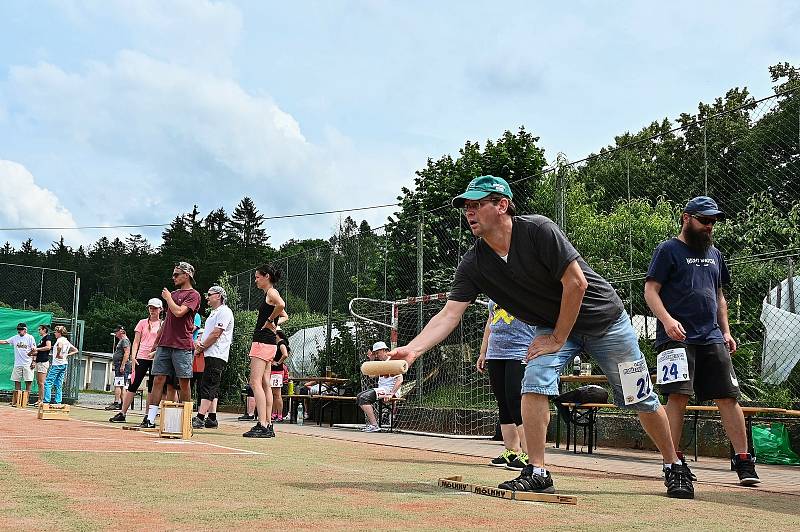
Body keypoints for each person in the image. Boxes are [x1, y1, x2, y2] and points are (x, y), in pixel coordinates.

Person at [390, 175, 693, 498]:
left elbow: (577, 284)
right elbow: (450, 314)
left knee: (640, 397)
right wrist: (413, 349)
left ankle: (673, 465)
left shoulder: (538, 230)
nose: (469, 212)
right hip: (553, 327)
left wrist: (558, 337)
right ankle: (537, 470)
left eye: (477, 204)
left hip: (604, 321)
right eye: (467, 206)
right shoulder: (474, 262)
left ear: (502, 205)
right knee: (533, 381)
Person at [644, 196, 760, 486]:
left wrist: (726, 330)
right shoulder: (667, 250)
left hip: (711, 336)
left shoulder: (715, 254)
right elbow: (650, 291)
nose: (709, 226)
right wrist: (668, 321)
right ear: (686, 218)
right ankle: (673, 460)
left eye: (712, 221)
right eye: (704, 220)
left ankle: (743, 460)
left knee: (728, 396)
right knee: (678, 396)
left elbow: (719, 295)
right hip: (676, 337)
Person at [141, 261, 201, 427]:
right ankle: (150, 418)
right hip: (165, 344)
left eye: (176, 274)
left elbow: (179, 312)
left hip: (182, 345)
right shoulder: (173, 294)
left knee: (184, 381)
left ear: (186, 275)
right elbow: (167, 320)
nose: (173, 277)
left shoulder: (193, 295)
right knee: (158, 379)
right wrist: (155, 345)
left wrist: (168, 298)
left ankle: (186, 419)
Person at [476, 300, 533, 471]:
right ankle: (511, 450)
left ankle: (529, 453)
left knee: (516, 398)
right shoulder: (494, 292)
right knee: (503, 400)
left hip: (520, 350)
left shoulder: (525, 287)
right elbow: (490, 321)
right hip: (496, 352)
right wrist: (483, 351)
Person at [243, 263, 286, 438]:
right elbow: (284, 315)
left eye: (257, 277)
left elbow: (281, 305)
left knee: (255, 382)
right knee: (265, 383)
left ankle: (262, 423)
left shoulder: (271, 292)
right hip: (268, 342)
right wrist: (274, 323)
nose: (256, 280)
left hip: (262, 342)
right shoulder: (269, 294)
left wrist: (269, 321)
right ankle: (267, 423)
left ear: (266, 276)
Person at [109, 298, 163, 426]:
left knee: (152, 388)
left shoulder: (163, 324)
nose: (152, 310)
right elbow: (136, 341)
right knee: (133, 384)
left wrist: (155, 353)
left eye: (155, 308)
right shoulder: (142, 323)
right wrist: (133, 357)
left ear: (161, 309)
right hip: (141, 357)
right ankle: (122, 413)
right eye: (150, 308)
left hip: (156, 358)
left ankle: (147, 416)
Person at [192, 286, 234, 430]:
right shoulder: (214, 313)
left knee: (208, 384)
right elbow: (209, 332)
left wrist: (201, 346)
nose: (207, 297)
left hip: (217, 353)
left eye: (210, 294)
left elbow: (216, 334)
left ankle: (200, 417)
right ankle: (212, 417)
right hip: (210, 353)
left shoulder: (224, 311)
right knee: (212, 384)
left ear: (218, 296)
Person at [357, 341, 403, 433]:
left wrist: (391, 393)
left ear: (384, 350)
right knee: (359, 397)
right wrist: (371, 360)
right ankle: (374, 424)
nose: (377, 355)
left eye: (377, 353)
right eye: (375, 353)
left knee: (363, 398)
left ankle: (374, 425)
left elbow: (400, 380)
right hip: (383, 390)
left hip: (390, 391)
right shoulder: (381, 363)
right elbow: (371, 375)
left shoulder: (392, 362)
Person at [43, 325, 78, 404]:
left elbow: (59, 346)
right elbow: (75, 350)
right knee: (59, 383)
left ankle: (46, 401)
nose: (55, 333)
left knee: (48, 382)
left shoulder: (60, 340)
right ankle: (58, 401)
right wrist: (67, 355)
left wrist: (58, 354)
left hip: (57, 364)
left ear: (59, 333)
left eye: (56, 332)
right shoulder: (66, 341)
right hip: (64, 364)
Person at [1, 322, 37, 397]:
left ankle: (25, 399)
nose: (19, 331)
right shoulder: (15, 338)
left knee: (28, 381)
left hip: (28, 363)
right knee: (17, 381)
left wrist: (33, 361)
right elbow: (5, 341)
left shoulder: (30, 338)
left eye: (21, 329)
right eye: (18, 329)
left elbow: (34, 350)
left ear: (25, 330)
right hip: (18, 364)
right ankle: (17, 399)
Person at [106, 326, 131, 410]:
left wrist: (123, 365)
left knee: (118, 384)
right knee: (121, 384)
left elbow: (127, 353)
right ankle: (122, 403)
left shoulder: (124, 340)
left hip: (121, 364)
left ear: (121, 331)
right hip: (120, 364)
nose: (115, 333)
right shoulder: (123, 340)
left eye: (116, 331)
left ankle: (116, 403)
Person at [32, 324, 56, 407]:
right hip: (39, 362)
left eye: (40, 329)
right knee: (39, 382)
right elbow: (38, 351)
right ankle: (39, 399)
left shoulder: (48, 337)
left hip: (43, 362)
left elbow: (48, 347)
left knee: (42, 382)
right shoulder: (41, 339)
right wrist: (32, 354)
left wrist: (37, 349)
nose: (39, 331)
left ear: (44, 330)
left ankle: (43, 400)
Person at [270, 327, 291, 422]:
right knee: (274, 394)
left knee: (277, 394)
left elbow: (285, 354)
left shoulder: (281, 343)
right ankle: (274, 413)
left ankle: (279, 414)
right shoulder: (278, 344)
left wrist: (278, 363)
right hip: (274, 371)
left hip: (277, 371)